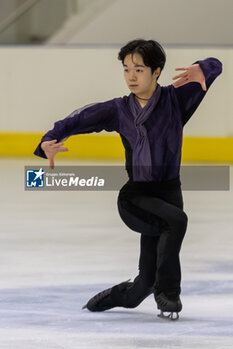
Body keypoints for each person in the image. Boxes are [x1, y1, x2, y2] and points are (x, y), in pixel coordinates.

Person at [34, 39, 222, 320]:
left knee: (143, 284)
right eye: (126, 70)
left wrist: (203, 68)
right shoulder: (119, 109)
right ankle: (169, 292)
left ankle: (109, 299)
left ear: (156, 71)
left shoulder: (176, 100)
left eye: (139, 70)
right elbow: (79, 119)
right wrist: (49, 139)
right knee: (177, 220)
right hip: (136, 198)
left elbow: (215, 66)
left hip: (169, 194)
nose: (131, 77)